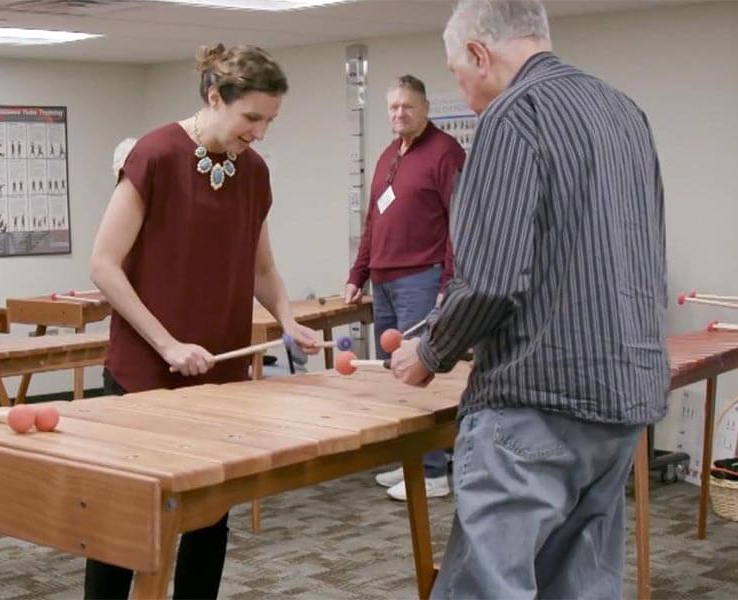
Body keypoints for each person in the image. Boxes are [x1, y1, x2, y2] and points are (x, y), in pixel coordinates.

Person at [389, 1, 669, 597]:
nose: (460, 89)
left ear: (479, 53)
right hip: (624, 395)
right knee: (581, 585)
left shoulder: (512, 116)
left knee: (490, 587)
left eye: (455, 71)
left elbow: (491, 280)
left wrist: (430, 351)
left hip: (538, 399)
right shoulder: (625, 112)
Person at [87, 43, 319, 599]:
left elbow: (261, 266)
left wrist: (288, 319)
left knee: (209, 522)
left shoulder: (254, 171)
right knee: (126, 523)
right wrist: (167, 344)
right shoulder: (157, 154)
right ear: (215, 97)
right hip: (145, 374)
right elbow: (103, 265)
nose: (260, 132)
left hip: (218, 382)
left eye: (270, 120)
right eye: (251, 118)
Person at [345, 74, 465, 500]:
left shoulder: (445, 153)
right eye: (394, 107)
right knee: (391, 374)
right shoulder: (387, 155)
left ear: (426, 108)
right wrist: (357, 275)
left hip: (423, 277)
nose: (400, 114)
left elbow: (460, 222)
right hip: (385, 280)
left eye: (408, 107)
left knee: (418, 370)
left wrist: (450, 281)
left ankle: (433, 471)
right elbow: (373, 222)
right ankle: (408, 460)